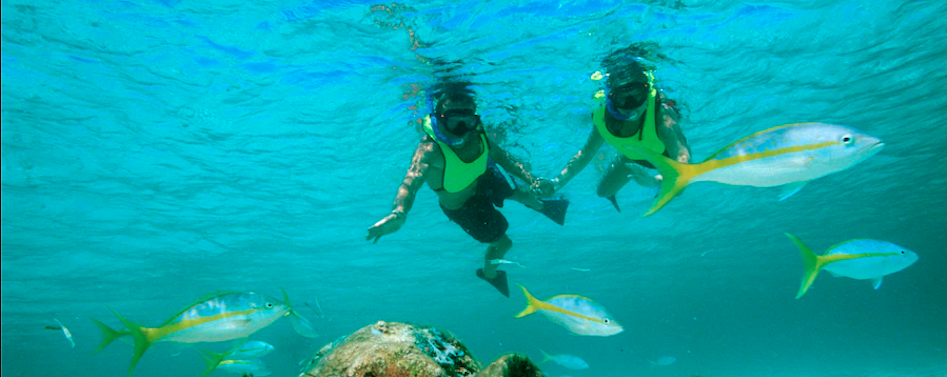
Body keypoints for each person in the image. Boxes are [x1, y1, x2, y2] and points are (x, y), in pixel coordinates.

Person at [366, 82, 567, 297]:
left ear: (475, 119)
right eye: (454, 121)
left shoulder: (477, 134)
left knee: (523, 193)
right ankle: (489, 274)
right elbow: (410, 183)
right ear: (439, 118)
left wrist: (532, 179)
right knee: (504, 243)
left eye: (468, 121)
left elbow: (503, 158)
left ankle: (544, 206)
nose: (462, 129)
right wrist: (399, 213)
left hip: (481, 179)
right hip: (462, 207)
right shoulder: (429, 150)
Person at [546, 49, 692, 211]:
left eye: (637, 95)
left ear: (646, 91)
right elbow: (584, 155)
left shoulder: (662, 114)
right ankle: (627, 158)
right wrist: (555, 183)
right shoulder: (603, 118)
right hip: (630, 157)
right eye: (623, 98)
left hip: (665, 158)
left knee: (678, 190)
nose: (632, 105)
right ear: (611, 98)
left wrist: (656, 181)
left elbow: (682, 158)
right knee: (603, 192)